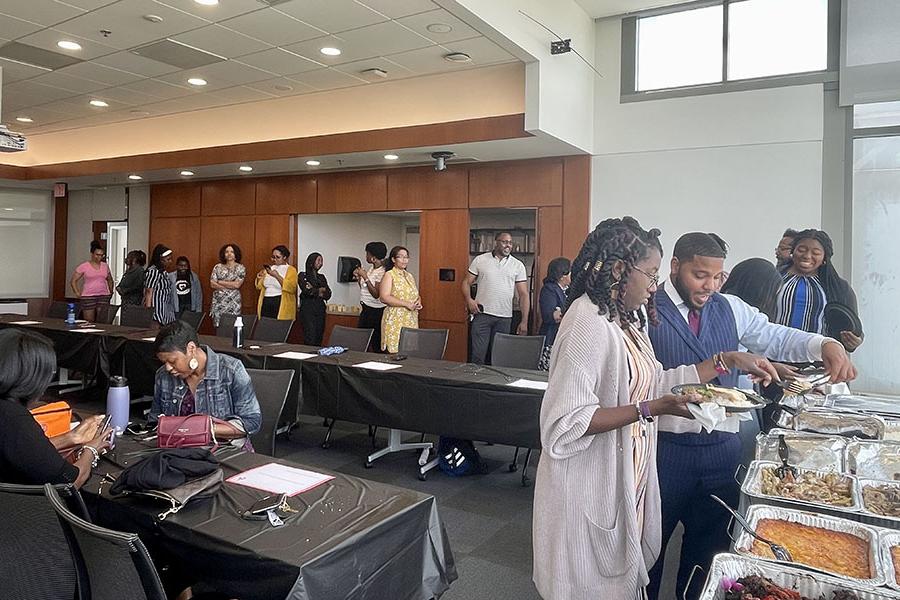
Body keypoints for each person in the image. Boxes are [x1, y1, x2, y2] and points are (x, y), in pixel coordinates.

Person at [532, 218, 779, 600]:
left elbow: (656, 381)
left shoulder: (624, 318)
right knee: (588, 585)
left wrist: (725, 360)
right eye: (649, 274)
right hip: (590, 481)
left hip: (627, 474)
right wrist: (651, 408)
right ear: (618, 270)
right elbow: (565, 424)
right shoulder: (586, 322)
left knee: (621, 581)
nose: (654, 286)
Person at [646, 232, 857, 600]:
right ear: (675, 267)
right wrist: (723, 361)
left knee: (708, 553)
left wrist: (824, 343)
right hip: (663, 450)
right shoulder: (646, 309)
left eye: (717, 277)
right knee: (649, 550)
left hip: (722, 451)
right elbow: (640, 384)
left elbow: (772, 335)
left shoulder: (729, 307)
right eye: (700, 275)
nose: (709, 286)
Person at [0, 329, 111, 487]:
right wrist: (91, 450)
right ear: (31, 378)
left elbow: (23, 451)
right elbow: (69, 482)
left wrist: (70, 438)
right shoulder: (14, 419)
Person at [149, 321, 261, 446]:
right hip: (178, 450)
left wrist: (201, 428)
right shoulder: (163, 375)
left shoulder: (231, 370)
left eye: (172, 361)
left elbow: (251, 422)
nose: (168, 368)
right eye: (164, 362)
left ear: (191, 349)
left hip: (223, 450)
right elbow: (155, 420)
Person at [774, 228, 864, 352]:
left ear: (824, 258)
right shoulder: (773, 279)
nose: (807, 256)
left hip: (817, 362)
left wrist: (855, 340)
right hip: (773, 359)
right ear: (793, 251)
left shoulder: (839, 287)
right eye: (801, 250)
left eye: (815, 253)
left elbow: (853, 325)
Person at [462, 232, 531, 364]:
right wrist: (469, 300)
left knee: (499, 357)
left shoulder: (517, 265)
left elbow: (523, 294)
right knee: (478, 355)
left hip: (504, 318)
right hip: (482, 315)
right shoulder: (480, 260)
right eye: (504, 242)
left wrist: (524, 321)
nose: (508, 245)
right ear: (496, 242)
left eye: (510, 243)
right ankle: (475, 383)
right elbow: (466, 282)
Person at [380, 246, 421, 353]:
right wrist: (405, 304)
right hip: (395, 319)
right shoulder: (389, 275)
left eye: (406, 257)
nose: (404, 260)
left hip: (410, 318)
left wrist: (418, 301)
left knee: (409, 353)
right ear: (393, 259)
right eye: (401, 257)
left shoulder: (409, 276)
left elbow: (415, 294)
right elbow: (384, 297)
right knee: (395, 352)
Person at [537, 257, 570, 370]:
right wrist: (569, 313)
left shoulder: (569, 290)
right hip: (551, 339)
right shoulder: (549, 289)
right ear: (562, 276)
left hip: (565, 337)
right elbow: (551, 316)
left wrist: (561, 311)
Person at [354, 241, 387, 352]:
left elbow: (376, 294)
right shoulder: (372, 269)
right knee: (361, 341)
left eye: (367, 254)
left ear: (373, 257)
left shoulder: (382, 272)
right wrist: (359, 277)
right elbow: (364, 288)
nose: (366, 256)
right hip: (366, 308)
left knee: (376, 342)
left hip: (375, 311)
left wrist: (365, 277)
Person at [70, 240, 114, 322]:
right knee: (89, 320)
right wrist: (77, 293)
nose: (99, 257)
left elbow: (110, 279)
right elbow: (73, 281)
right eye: (97, 255)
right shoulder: (84, 266)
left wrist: (111, 291)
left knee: (102, 320)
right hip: (88, 296)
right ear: (92, 254)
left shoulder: (105, 266)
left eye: (101, 255)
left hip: (103, 295)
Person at [255, 245, 298, 320]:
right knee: (265, 324)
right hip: (266, 300)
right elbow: (259, 286)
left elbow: (292, 288)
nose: (274, 259)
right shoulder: (269, 268)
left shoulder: (291, 270)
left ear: (284, 257)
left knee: (278, 327)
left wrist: (277, 276)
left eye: (277, 257)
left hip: (280, 300)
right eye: (273, 257)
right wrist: (259, 278)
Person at [299, 252, 332, 345]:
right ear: (311, 261)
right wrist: (319, 290)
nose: (320, 263)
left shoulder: (321, 277)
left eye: (322, 261)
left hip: (320, 309)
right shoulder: (303, 275)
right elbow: (307, 291)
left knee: (319, 335)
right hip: (308, 310)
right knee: (310, 336)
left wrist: (315, 290)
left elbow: (328, 294)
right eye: (318, 260)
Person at [210, 243, 246, 328]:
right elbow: (212, 283)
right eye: (226, 252)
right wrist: (229, 286)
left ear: (236, 254)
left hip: (233, 302)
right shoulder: (217, 267)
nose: (229, 254)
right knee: (218, 327)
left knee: (232, 326)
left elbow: (237, 285)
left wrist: (220, 281)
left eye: (232, 252)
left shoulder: (240, 268)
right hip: (219, 302)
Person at [144, 244, 176, 326]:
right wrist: (148, 312)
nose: (170, 262)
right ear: (161, 259)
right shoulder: (153, 271)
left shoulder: (163, 272)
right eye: (168, 259)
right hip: (156, 313)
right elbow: (149, 291)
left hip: (165, 310)